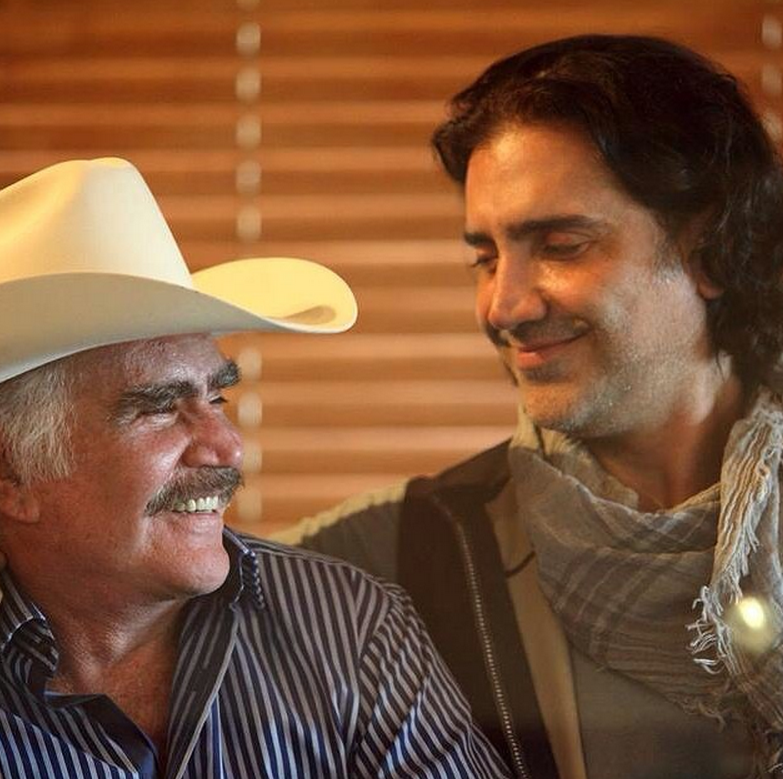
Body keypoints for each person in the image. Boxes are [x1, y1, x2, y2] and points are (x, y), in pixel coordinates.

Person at [278, 34, 783, 779]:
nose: (503, 305)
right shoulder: (376, 563)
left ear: (707, 251)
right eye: (485, 258)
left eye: (560, 245)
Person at [0, 158, 512, 778]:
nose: (226, 447)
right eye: (160, 409)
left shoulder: (350, 628)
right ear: (12, 474)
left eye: (216, 398)